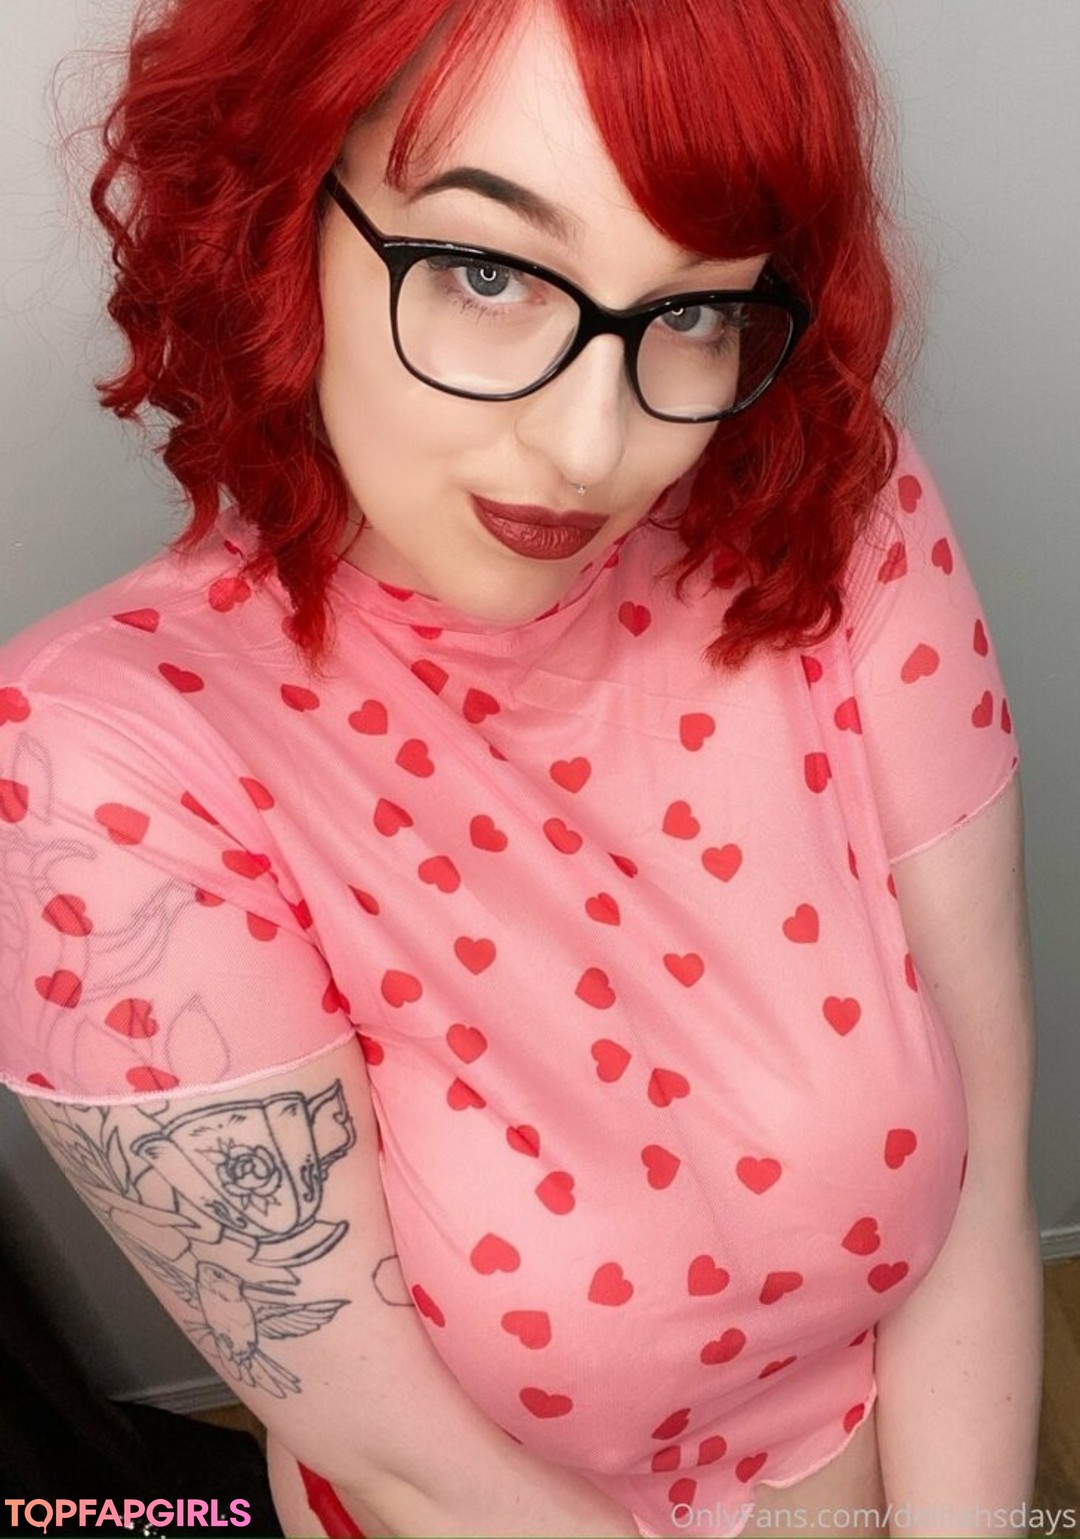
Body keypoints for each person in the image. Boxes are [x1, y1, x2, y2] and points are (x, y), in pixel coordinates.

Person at [0, 0, 1043, 1535]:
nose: (590, 443)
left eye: (692, 311)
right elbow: (417, 1467)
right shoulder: (103, 759)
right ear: (281, 207)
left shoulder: (839, 519)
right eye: (486, 273)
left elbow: (981, 1190)